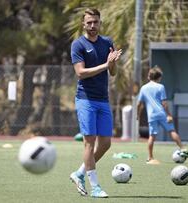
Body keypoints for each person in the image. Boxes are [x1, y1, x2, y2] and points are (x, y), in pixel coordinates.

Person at [69, 8, 122, 198]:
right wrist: (105, 66)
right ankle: (95, 187)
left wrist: (112, 63)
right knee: (89, 144)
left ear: (100, 23)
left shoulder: (107, 42)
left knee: (106, 143)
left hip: (103, 100)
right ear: (83, 24)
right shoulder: (78, 45)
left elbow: (113, 72)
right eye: (89, 22)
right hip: (85, 99)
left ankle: (79, 173)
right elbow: (80, 73)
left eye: (96, 22)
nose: (92, 26)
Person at [137, 66, 188, 165]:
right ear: (159, 78)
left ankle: (150, 158)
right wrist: (169, 115)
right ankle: (183, 148)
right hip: (162, 113)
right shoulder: (160, 87)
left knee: (152, 136)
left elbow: (139, 104)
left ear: (149, 77)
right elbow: (164, 103)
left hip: (152, 115)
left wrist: (138, 115)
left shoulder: (143, 88)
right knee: (172, 131)